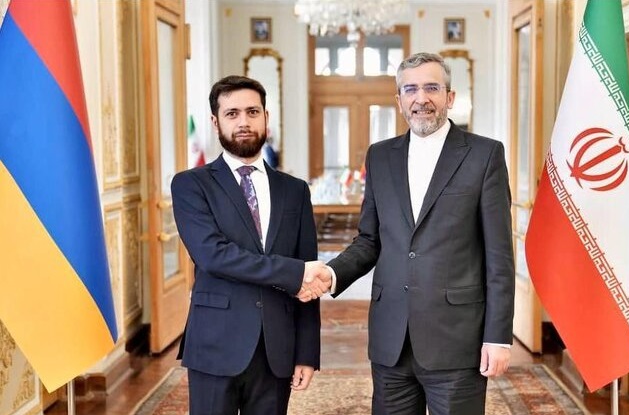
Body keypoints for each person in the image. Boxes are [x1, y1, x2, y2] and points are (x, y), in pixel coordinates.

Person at [304, 52, 515, 414]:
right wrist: (332, 273)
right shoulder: (380, 156)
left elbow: (499, 256)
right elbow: (369, 240)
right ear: (399, 100)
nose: (421, 98)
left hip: (457, 339)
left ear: (450, 97)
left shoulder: (484, 155)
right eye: (411, 89)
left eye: (432, 88)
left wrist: (498, 337)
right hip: (391, 339)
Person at [171, 75, 330, 415]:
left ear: (266, 117)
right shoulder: (190, 185)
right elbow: (213, 256)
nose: (243, 122)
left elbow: (307, 273)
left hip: (276, 348)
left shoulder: (294, 190)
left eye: (252, 112)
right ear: (215, 122)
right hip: (215, 345)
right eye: (232, 114)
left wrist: (306, 352)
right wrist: (294, 272)